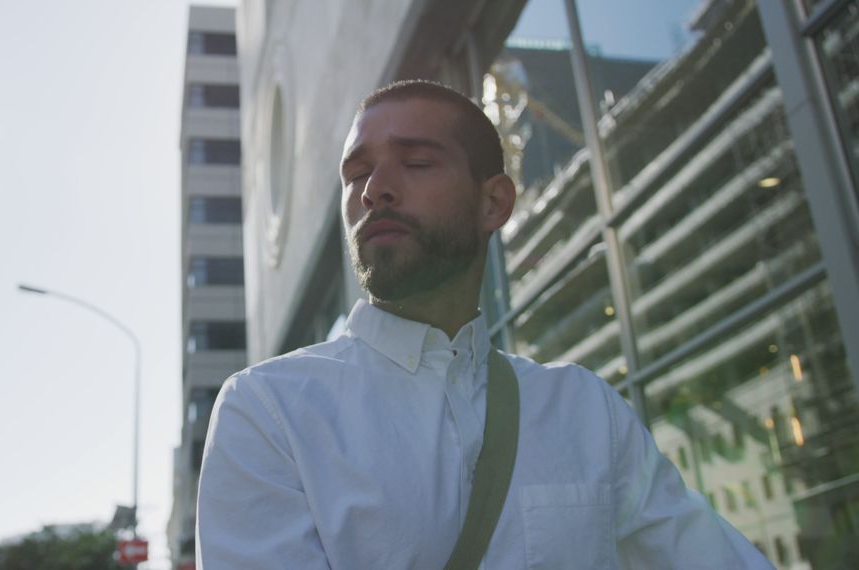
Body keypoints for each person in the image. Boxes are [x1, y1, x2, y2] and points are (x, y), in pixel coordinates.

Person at [195, 80, 772, 569]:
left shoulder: (585, 410)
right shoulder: (269, 412)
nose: (374, 190)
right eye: (356, 174)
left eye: (417, 162)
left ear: (494, 202)